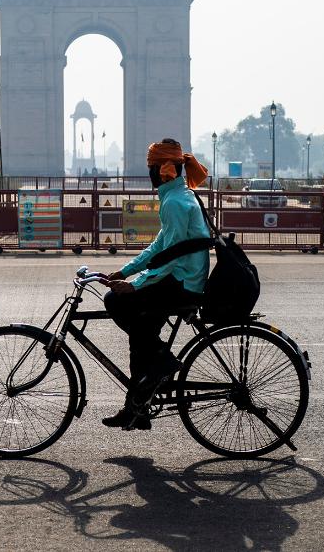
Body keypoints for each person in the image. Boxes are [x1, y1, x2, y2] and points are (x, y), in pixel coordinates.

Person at [101, 138, 211, 430]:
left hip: (182, 281)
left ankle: (162, 360)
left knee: (115, 302)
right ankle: (137, 407)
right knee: (140, 336)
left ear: (163, 169)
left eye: (150, 167)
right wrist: (126, 271)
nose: (148, 173)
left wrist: (136, 286)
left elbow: (170, 257)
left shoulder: (175, 202)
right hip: (182, 276)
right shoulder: (176, 197)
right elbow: (160, 247)